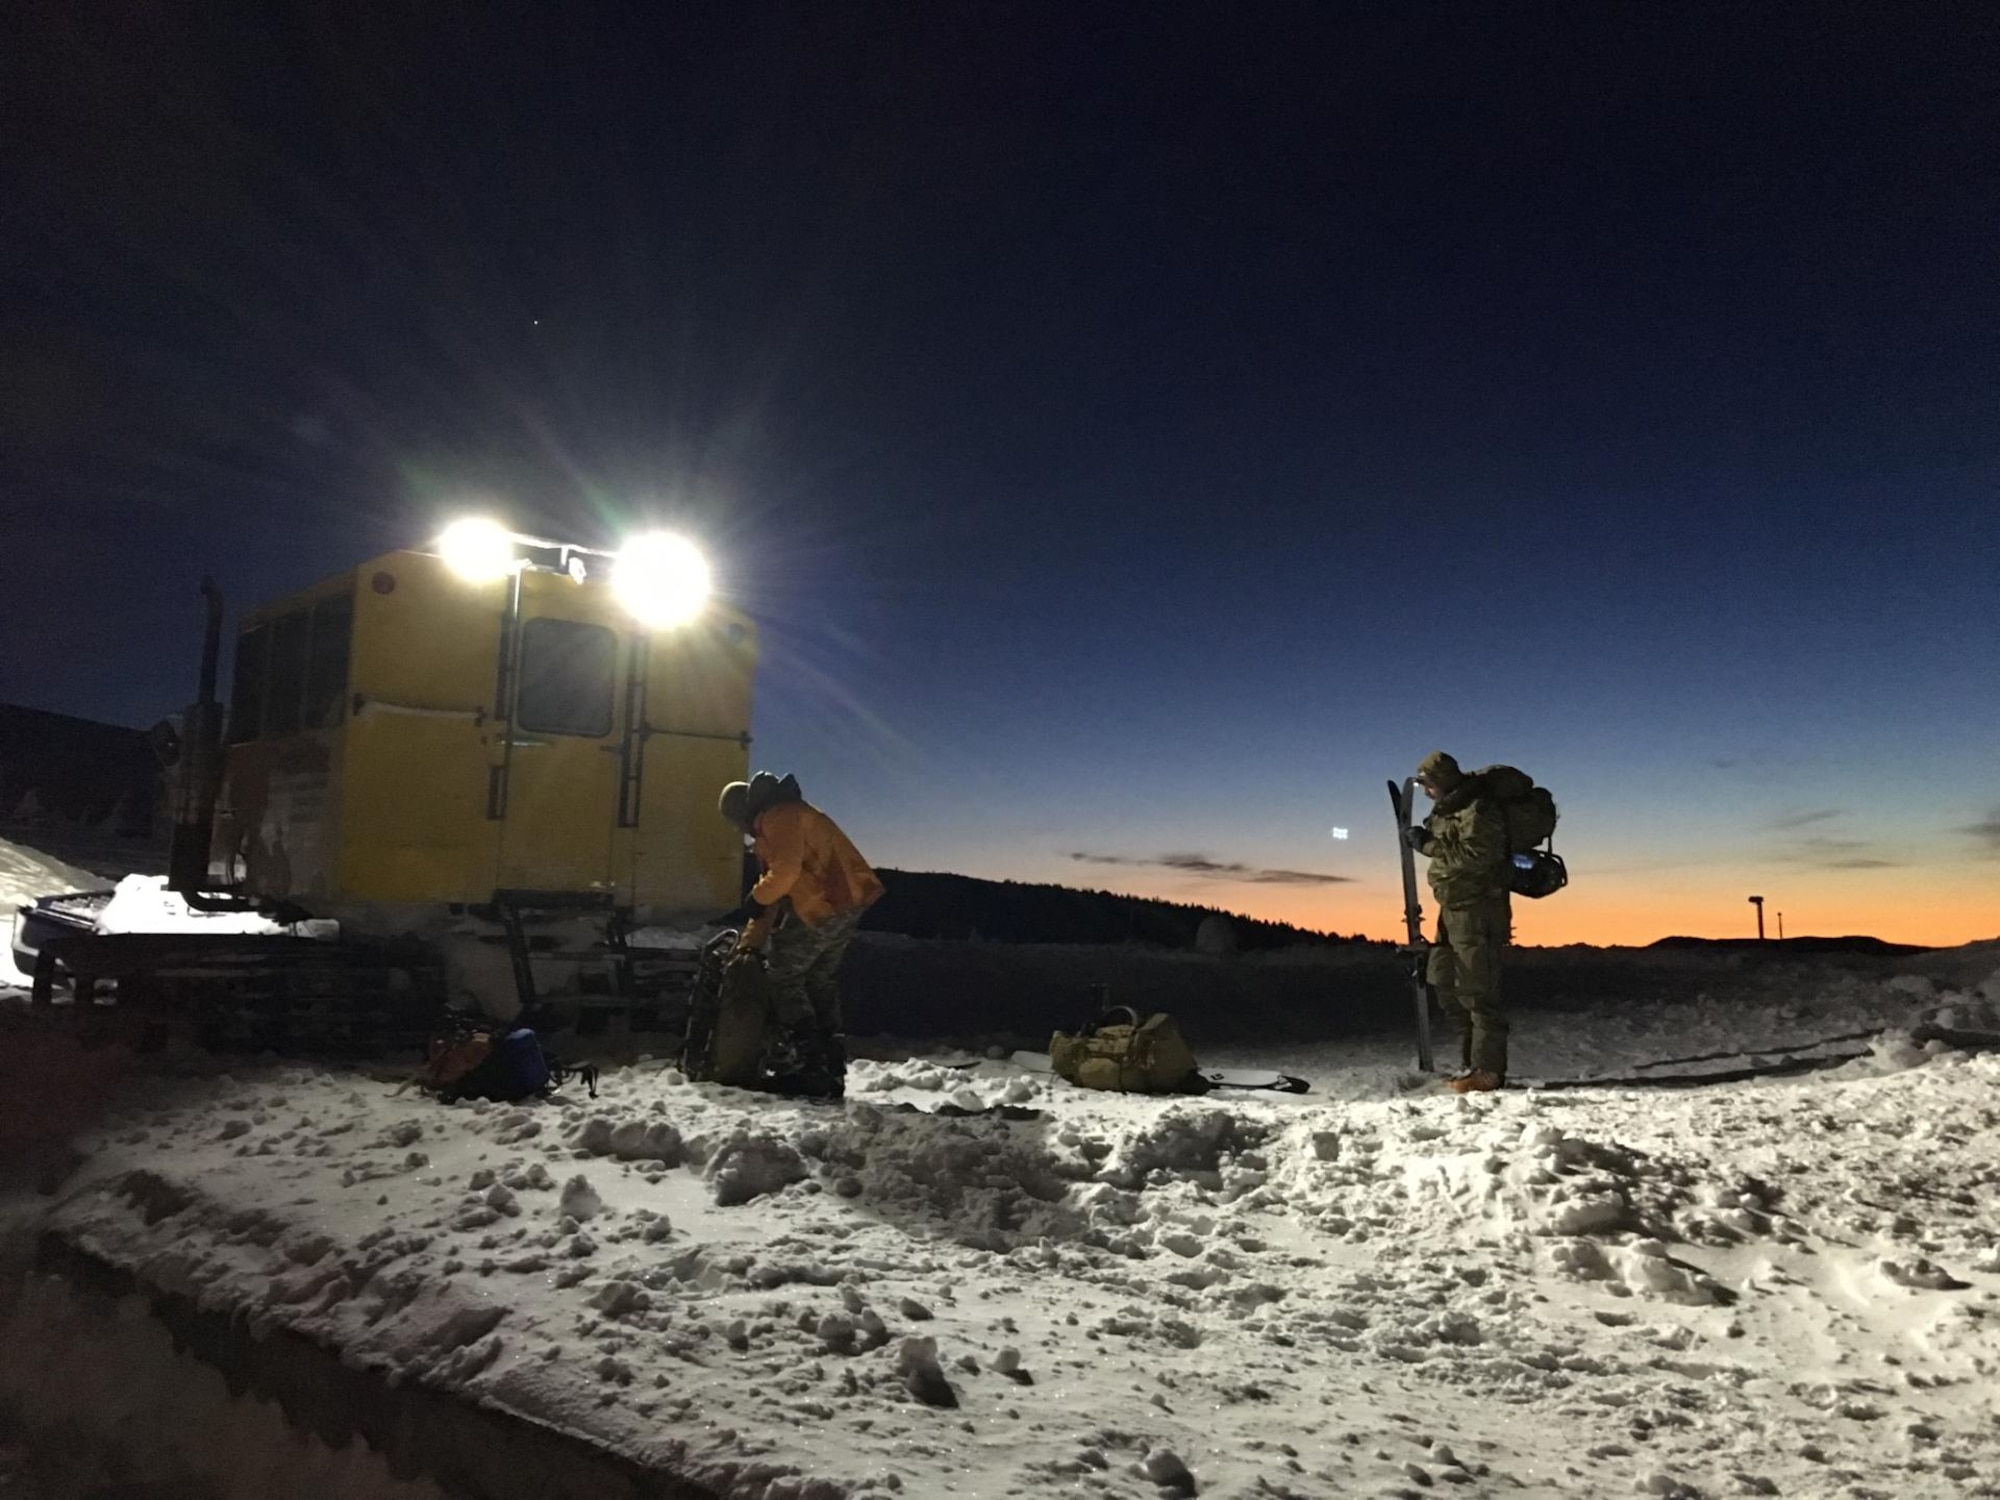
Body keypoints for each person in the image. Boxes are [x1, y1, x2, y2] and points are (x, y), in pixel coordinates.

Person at [716, 771, 884, 1093]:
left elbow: (784, 876)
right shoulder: (776, 823)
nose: (737, 831)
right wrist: (749, 943)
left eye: (733, 822)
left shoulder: (780, 817)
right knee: (818, 980)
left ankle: (811, 1066)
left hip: (829, 902)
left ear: (741, 813)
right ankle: (831, 1069)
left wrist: (756, 898)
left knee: (783, 977)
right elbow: (773, 895)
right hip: (847, 901)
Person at [1405, 751, 1512, 1092]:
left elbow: (1478, 855)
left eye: (1430, 784)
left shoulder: (1478, 808)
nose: (1426, 792)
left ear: (1445, 780)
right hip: (1451, 909)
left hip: (1478, 909)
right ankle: (1470, 1061)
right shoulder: (1449, 809)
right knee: (1444, 981)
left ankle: (1488, 1070)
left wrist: (1428, 846)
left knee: (1478, 990)